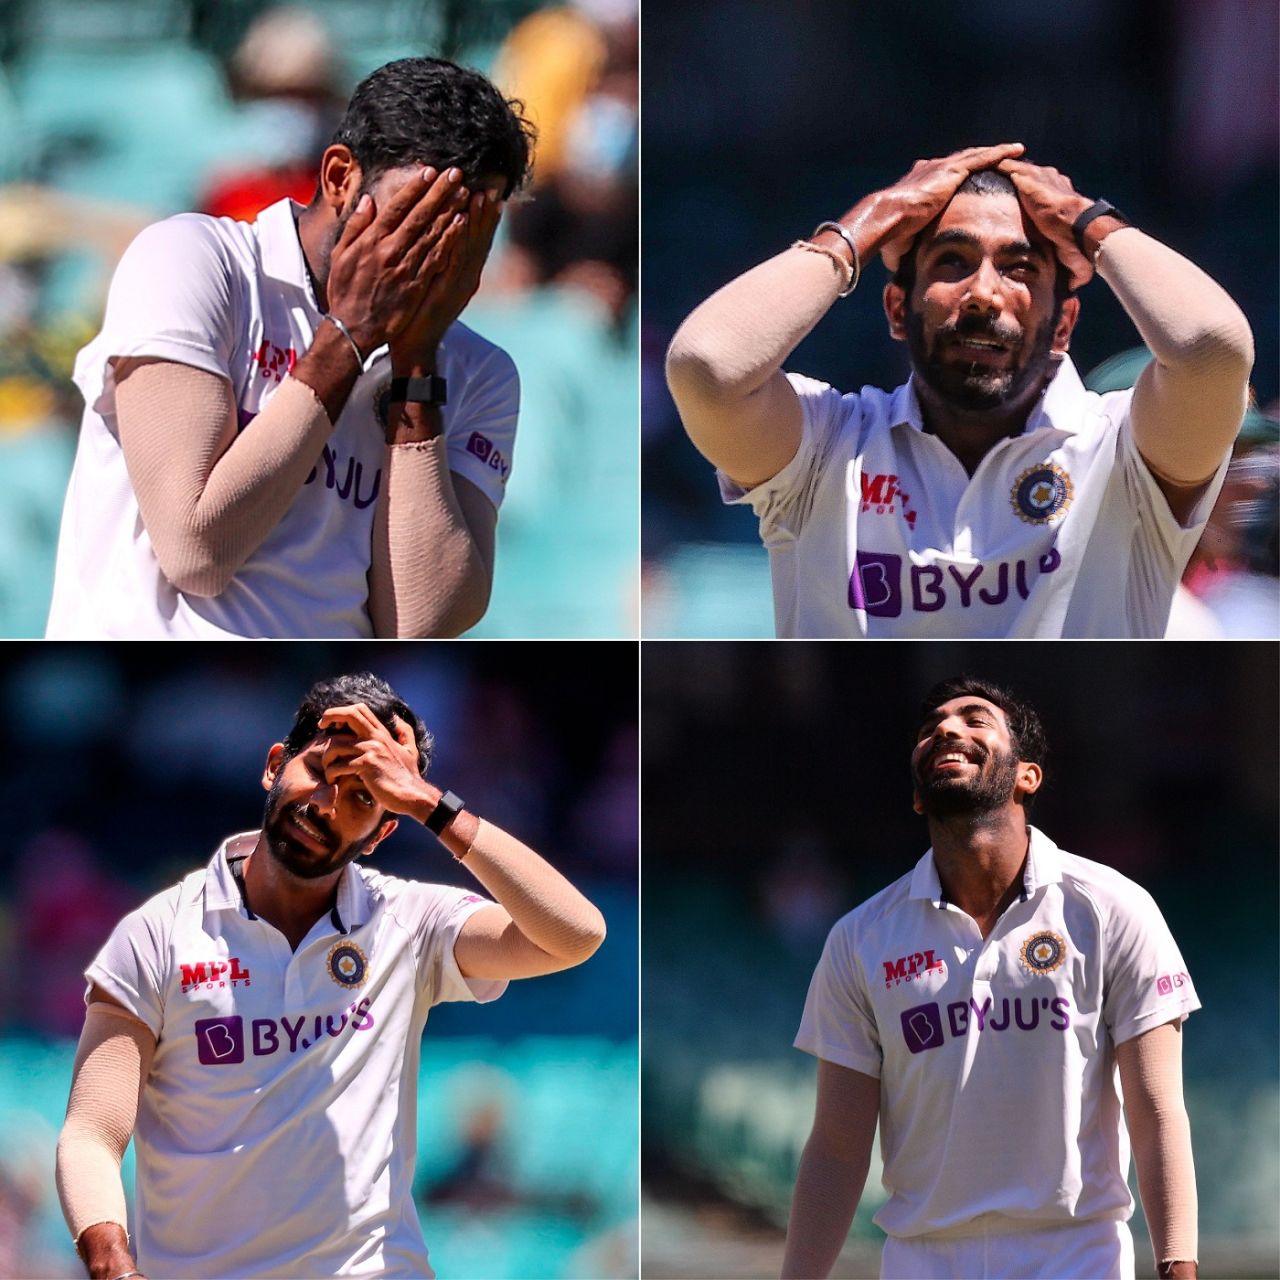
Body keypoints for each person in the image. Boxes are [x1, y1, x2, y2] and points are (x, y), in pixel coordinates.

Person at [55, 672, 607, 1278]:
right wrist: (113, 1264)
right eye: (320, 770)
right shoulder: (158, 934)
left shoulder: (409, 921)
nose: (326, 803)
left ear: (385, 830)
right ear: (274, 767)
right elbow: (91, 1135)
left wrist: (432, 804)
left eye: (365, 795)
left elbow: (574, 934)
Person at [666, 143, 1255, 638]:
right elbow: (706, 369)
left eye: (1019, 267)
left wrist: (1090, 221)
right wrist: (863, 226)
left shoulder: (1124, 453)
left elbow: (1214, 350)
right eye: (953, 262)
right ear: (897, 309)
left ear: (1065, 326)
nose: (983, 294)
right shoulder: (826, 449)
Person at [46, 57, 534, 638]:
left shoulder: (480, 371)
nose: (437, 251)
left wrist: (416, 362)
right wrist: (350, 335)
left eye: (471, 225)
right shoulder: (194, 261)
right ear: (339, 177)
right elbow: (197, 552)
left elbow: (423, 622)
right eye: (417, 216)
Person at [784, 676, 1199, 1280]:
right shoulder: (860, 938)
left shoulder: (1112, 907)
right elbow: (836, 1148)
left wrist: (1179, 1267)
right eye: (931, 729)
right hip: (921, 1260)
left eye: (975, 720)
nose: (947, 730)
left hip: (1077, 1256)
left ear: (1027, 776)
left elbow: (1157, 1108)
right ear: (920, 798)